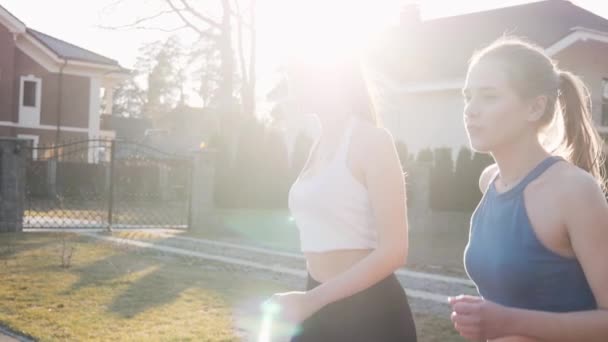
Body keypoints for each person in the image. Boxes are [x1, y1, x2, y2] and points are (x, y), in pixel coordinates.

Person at [449, 37, 608, 341]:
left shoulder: (574, 191)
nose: (470, 110)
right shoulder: (489, 180)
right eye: (468, 96)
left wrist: (508, 322)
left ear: (535, 107)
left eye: (489, 96)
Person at [265, 52, 417, 341]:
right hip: (316, 302)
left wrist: (311, 301)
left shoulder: (372, 140)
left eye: (298, 72)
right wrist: (310, 300)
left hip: (371, 315)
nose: (291, 81)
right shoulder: (318, 145)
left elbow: (395, 250)